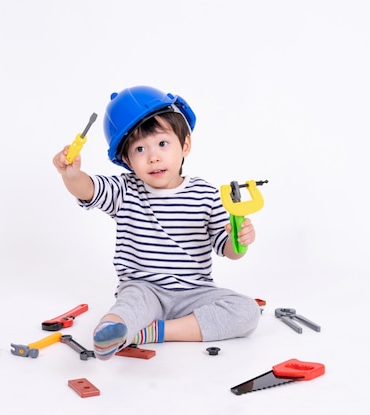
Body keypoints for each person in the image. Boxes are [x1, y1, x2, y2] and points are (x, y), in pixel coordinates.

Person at [52, 86, 261, 360]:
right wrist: (72, 175)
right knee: (129, 306)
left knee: (247, 311)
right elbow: (88, 189)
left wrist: (240, 238)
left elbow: (229, 251)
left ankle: (151, 332)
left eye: (162, 144)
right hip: (144, 289)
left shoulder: (207, 195)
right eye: (140, 149)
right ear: (126, 159)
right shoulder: (125, 190)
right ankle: (114, 329)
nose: (153, 156)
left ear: (184, 145)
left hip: (194, 292)